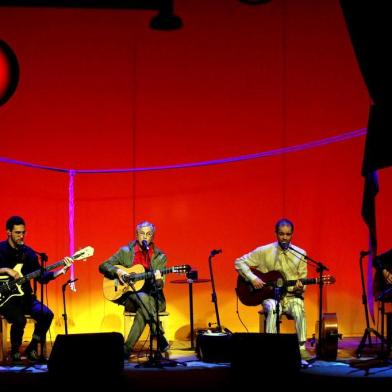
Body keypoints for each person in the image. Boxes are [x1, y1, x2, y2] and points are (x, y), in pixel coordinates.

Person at [234, 218, 312, 362]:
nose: (284, 237)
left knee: (299, 309)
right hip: (269, 295)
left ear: (292, 234)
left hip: (290, 296)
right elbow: (239, 262)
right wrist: (253, 278)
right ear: (276, 233)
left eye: (288, 234)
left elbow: (303, 278)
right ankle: (271, 347)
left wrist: (300, 289)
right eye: (281, 234)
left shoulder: (300, 253)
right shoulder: (264, 251)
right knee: (273, 308)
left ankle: (301, 348)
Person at [0, 215, 72, 362]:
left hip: (25, 297)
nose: (21, 236)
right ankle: (15, 350)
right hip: (5, 298)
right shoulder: (0, 249)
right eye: (17, 233)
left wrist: (60, 271)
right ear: (8, 232)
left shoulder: (29, 253)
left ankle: (32, 347)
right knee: (20, 320)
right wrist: (7, 270)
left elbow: (40, 276)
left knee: (46, 314)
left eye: (23, 232)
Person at [99, 221, 169, 360]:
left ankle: (125, 350)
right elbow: (103, 266)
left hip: (155, 300)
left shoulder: (160, 256)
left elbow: (160, 286)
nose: (145, 237)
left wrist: (159, 280)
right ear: (137, 235)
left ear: (152, 237)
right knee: (142, 297)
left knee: (144, 303)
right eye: (142, 233)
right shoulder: (125, 251)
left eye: (148, 234)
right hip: (130, 298)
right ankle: (159, 335)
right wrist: (118, 271)